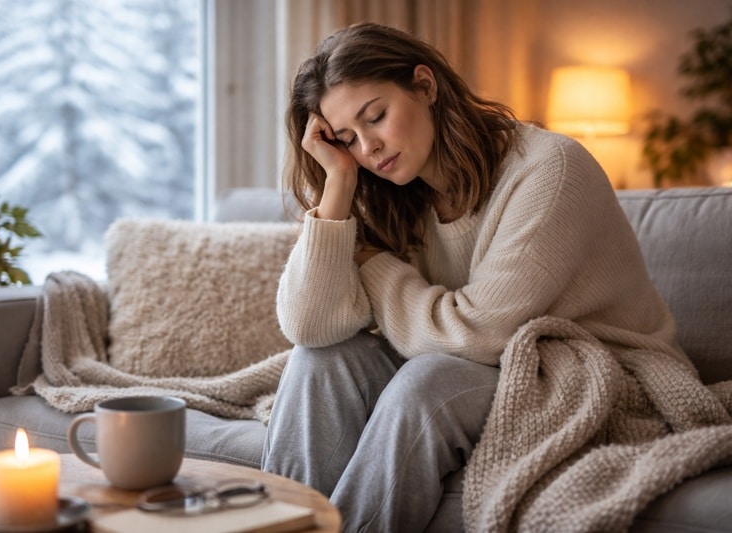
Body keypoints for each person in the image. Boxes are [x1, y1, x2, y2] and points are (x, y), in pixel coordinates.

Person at [261, 22, 688, 532]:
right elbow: (309, 326)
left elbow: (479, 334)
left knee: (429, 383)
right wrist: (338, 183)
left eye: (376, 116)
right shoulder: (387, 187)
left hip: (592, 372)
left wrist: (373, 264)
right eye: (348, 138)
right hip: (484, 369)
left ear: (425, 85)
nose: (369, 147)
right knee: (320, 362)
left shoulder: (550, 170)